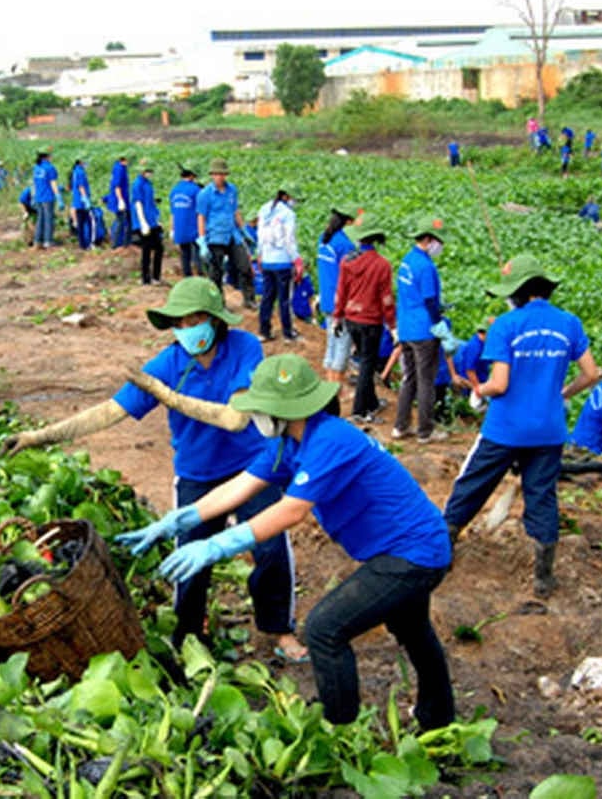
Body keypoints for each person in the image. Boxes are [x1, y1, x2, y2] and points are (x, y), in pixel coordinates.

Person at [119, 353, 455, 729]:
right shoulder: (287, 444)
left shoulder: (330, 440)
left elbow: (290, 512)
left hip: (412, 554)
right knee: (412, 628)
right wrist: (181, 519)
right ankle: (437, 716)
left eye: (259, 408)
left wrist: (218, 545)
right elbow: (240, 486)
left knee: (325, 629)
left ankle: (337, 726)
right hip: (401, 550)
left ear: (283, 409)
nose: (253, 417)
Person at [4, 278, 306, 661]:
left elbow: (235, 419)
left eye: (193, 320)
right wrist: (39, 436)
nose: (185, 330)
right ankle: (188, 637)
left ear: (214, 321)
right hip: (197, 472)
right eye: (177, 323)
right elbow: (109, 412)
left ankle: (280, 631)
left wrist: (166, 397)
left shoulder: (245, 348)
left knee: (272, 546)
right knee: (191, 556)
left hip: (252, 466)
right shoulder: (166, 364)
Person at [443, 255, 599, 596]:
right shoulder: (569, 323)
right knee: (541, 495)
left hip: (506, 427)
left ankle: (443, 548)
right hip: (549, 428)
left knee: (473, 484)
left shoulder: (506, 325)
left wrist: (479, 391)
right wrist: (563, 392)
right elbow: (592, 373)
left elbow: (499, 384)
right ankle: (543, 576)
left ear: (518, 292)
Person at [394, 216, 460, 444]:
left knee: (409, 378)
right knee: (426, 381)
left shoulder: (407, 261)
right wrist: (439, 324)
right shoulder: (425, 266)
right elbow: (430, 299)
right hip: (423, 330)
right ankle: (425, 430)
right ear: (430, 240)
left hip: (406, 327)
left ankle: (400, 426)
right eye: (438, 242)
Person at [332, 220, 394, 424]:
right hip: (371, 320)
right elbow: (386, 298)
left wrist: (337, 316)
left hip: (351, 317)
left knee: (364, 360)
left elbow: (341, 291)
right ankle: (360, 410)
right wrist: (393, 325)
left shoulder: (347, 261)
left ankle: (373, 403)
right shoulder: (382, 265)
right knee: (368, 364)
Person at [195, 158, 255, 309]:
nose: (219, 177)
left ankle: (249, 299)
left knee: (245, 266)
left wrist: (244, 231)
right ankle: (218, 304)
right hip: (215, 236)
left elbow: (235, 211)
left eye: (222, 174)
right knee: (216, 272)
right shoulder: (205, 194)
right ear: (212, 175)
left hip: (232, 234)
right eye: (216, 174)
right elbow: (201, 217)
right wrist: (202, 240)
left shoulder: (231, 190)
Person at [316, 205, 359, 385]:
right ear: (348, 222)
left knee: (331, 342)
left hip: (327, 298)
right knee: (342, 345)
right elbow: (351, 277)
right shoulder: (345, 245)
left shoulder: (324, 239)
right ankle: (337, 389)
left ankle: (328, 382)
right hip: (340, 301)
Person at [255, 190, 301, 341]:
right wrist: (297, 259)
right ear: (286, 197)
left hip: (267, 260)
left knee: (267, 297)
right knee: (285, 299)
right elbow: (289, 240)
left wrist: (260, 255)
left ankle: (264, 330)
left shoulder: (264, 209)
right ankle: (288, 333)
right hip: (282, 261)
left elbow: (260, 235)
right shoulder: (288, 214)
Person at [132, 159, 164, 285]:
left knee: (159, 249)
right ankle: (145, 279)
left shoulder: (148, 184)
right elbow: (138, 203)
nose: (150, 173)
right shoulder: (137, 184)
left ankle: (156, 277)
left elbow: (151, 203)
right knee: (146, 250)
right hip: (144, 222)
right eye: (148, 171)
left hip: (152, 221)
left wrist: (156, 220)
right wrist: (142, 222)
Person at [450, 322, 490, 412]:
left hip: (480, 380)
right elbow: (470, 370)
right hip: (470, 383)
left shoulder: (483, 344)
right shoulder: (475, 347)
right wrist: (477, 389)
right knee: (474, 408)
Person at [169, 165, 201, 277]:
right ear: (192, 176)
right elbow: (200, 211)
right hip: (193, 227)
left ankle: (187, 278)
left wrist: (172, 229)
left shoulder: (174, 191)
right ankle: (200, 276)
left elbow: (172, 212)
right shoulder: (195, 190)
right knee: (198, 254)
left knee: (184, 255)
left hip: (179, 228)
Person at [31, 149, 60, 249]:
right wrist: (58, 197)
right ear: (47, 156)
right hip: (47, 197)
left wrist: (33, 196)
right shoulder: (50, 168)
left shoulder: (36, 167)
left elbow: (34, 183)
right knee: (49, 219)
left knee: (40, 219)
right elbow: (53, 183)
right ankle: (48, 241)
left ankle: (37, 241)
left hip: (38, 197)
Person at [70, 157, 93, 249]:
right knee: (88, 222)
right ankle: (86, 244)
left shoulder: (75, 171)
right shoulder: (80, 172)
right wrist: (85, 199)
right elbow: (81, 186)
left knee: (81, 223)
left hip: (77, 202)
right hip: (81, 203)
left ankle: (82, 245)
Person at [110, 155, 131, 247]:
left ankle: (125, 243)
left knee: (126, 220)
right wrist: (120, 200)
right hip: (119, 199)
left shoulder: (122, 168)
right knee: (120, 221)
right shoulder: (119, 169)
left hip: (124, 198)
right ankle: (116, 244)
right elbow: (117, 186)